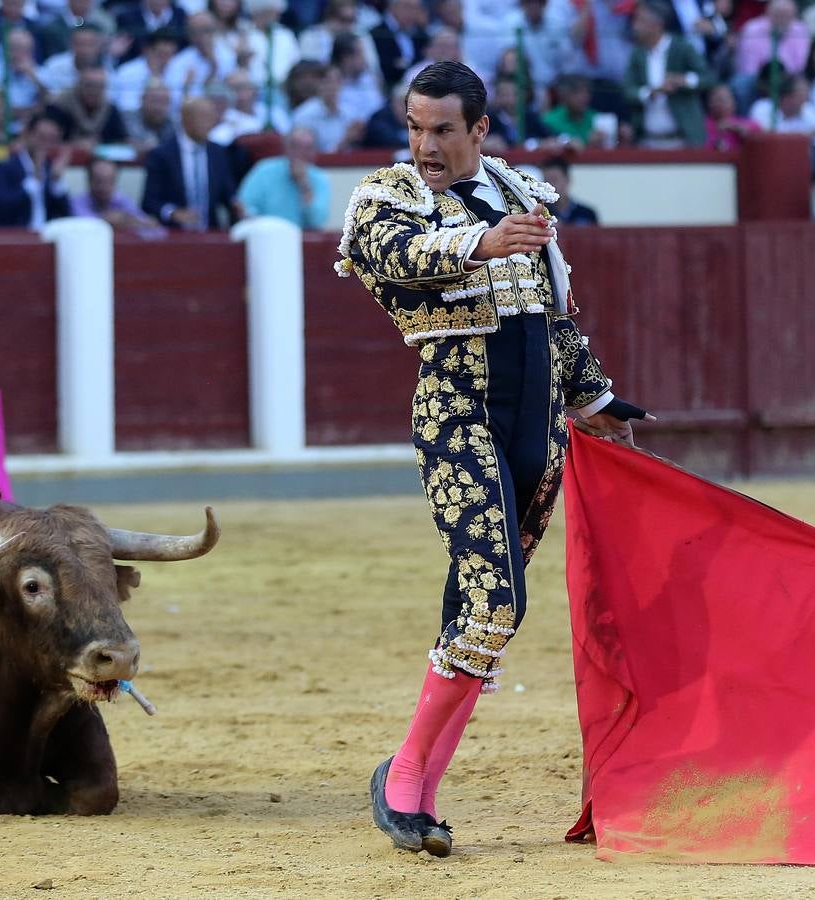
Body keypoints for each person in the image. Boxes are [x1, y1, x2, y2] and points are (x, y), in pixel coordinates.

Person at [335, 61, 651, 858]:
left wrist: (597, 401)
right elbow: (392, 257)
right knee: (495, 602)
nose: (424, 144)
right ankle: (403, 779)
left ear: (478, 130)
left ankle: (417, 792)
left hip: (536, 431)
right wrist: (478, 242)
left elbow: (551, 319)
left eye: (441, 129)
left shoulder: (522, 196)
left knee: (480, 610)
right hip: (456, 415)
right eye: (414, 126)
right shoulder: (387, 199)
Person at [624, 1, 713, 148]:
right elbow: (627, 90)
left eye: (640, 20)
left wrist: (684, 80)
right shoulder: (637, 54)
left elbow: (708, 77)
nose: (635, 26)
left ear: (656, 24)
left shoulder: (681, 47)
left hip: (683, 141)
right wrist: (650, 93)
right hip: (647, 141)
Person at [141, 95, 237, 230]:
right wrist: (173, 213)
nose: (211, 123)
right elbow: (149, 202)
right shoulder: (161, 155)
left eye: (212, 117)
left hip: (210, 234)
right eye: (205, 118)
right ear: (186, 120)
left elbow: (228, 194)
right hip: (173, 236)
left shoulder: (219, 153)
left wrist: (236, 204)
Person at [0, 110, 73, 227]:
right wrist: (32, 182)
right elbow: (3, 208)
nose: (46, 144)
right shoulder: (4, 167)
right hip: (15, 238)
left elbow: (66, 215)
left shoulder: (50, 169)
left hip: (47, 236)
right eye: (41, 137)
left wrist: (56, 181)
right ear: (27, 134)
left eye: (52, 139)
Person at [235, 125, 328, 227]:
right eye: (295, 146)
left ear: (315, 151)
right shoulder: (264, 170)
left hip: (302, 239)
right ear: (285, 148)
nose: (301, 153)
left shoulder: (320, 179)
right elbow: (245, 206)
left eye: (308, 148)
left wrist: (305, 186)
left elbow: (317, 222)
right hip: (265, 235)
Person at [47, 65, 129, 148]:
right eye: (89, 85)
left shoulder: (110, 109)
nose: (93, 91)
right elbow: (47, 142)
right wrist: (76, 145)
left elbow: (120, 141)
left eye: (99, 87)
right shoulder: (60, 105)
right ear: (79, 84)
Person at [72, 156, 162, 232]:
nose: (105, 187)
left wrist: (125, 220)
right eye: (99, 181)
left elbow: (151, 224)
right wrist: (110, 220)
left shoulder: (121, 199)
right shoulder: (77, 203)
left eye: (110, 181)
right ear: (89, 181)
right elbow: (86, 226)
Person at [290, 63, 364, 151]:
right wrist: (345, 140)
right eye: (327, 81)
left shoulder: (351, 113)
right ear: (318, 84)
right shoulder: (303, 115)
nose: (332, 86)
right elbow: (307, 155)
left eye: (337, 81)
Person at [540, 154, 598, 224]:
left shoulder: (587, 214)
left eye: (554, 180)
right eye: (546, 181)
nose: (550, 186)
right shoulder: (540, 213)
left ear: (567, 180)